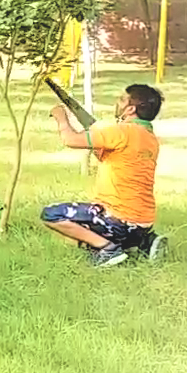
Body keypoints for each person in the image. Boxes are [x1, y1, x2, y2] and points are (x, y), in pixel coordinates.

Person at [43, 83, 167, 267]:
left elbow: (70, 140)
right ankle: (143, 242)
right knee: (84, 231)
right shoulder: (150, 138)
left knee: (52, 214)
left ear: (130, 109)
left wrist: (61, 117)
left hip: (118, 221)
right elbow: (106, 156)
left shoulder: (121, 131)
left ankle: (108, 249)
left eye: (122, 99)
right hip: (143, 223)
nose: (117, 102)